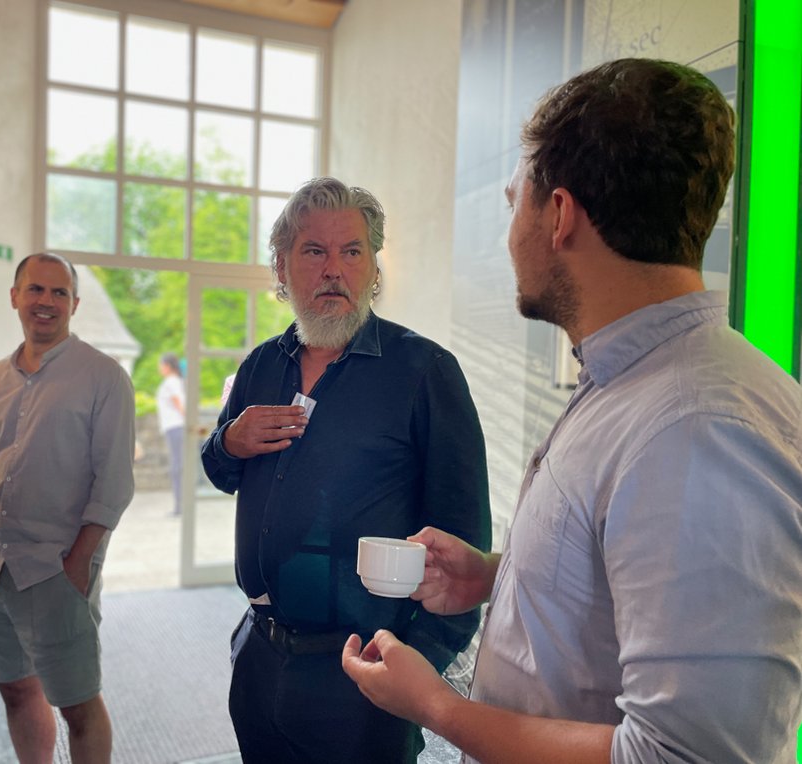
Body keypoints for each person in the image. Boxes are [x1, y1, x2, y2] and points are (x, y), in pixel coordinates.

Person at [342, 58, 802, 763]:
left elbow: (683, 756)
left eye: (512, 203)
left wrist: (435, 705)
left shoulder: (698, 427)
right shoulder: (632, 385)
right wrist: (501, 574)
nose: (507, 235)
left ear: (557, 215)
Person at [201, 177, 492, 763]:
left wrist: (414, 669)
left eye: (352, 251)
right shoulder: (261, 364)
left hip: (362, 675)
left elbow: (465, 543)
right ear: (281, 269)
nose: (334, 269)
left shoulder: (424, 372)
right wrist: (228, 442)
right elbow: (220, 471)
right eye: (314, 251)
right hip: (259, 654)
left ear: (374, 268)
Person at [0, 253, 135, 764]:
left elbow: (115, 482)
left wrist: (79, 563)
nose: (46, 302)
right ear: (15, 297)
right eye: (36, 290)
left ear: (74, 304)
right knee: (15, 689)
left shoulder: (103, 377)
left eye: (59, 293)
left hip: (53, 571)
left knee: (78, 704)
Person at [156, 352, 185, 516]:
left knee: (177, 467)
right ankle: (179, 506)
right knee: (177, 466)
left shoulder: (171, 383)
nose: (160, 368)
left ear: (167, 366)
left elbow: (180, 404)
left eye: (161, 365)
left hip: (176, 428)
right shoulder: (175, 382)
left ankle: (179, 507)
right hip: (175, 428)